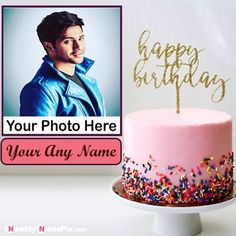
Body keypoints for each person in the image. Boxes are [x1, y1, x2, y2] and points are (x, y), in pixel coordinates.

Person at [20, 11, 106, 116]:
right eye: (68, 41)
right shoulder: (40, 90)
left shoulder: (88, 81)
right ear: (49, 46)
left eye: (81, 38)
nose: (78, 46)